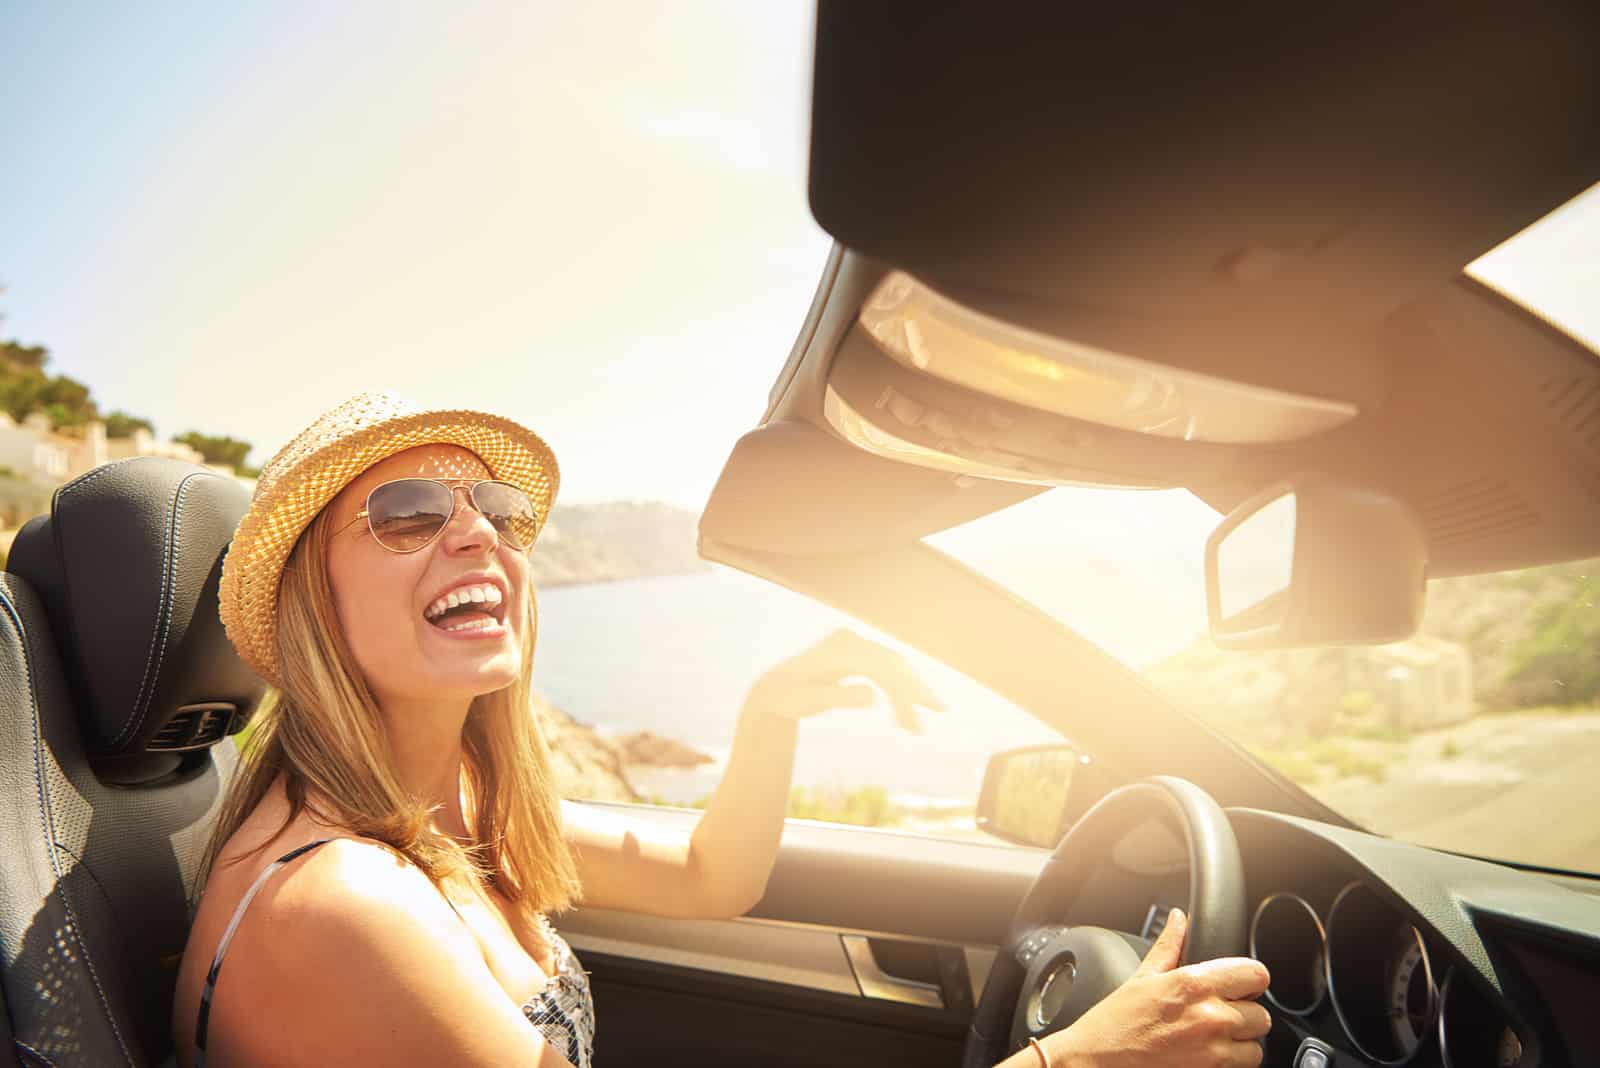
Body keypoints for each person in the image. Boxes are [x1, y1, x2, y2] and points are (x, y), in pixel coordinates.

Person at [172, 392, 1271, 1067]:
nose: (477, 536)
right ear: (310, 601)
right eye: (409, 515)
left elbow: (707, 876)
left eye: (497, 516)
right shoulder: (340, 904)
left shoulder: (444, 805)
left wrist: (769, 715)